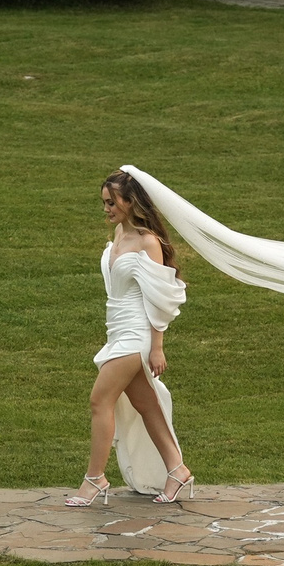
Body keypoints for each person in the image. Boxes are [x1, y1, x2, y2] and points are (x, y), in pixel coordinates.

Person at [76, 170, 196, 507]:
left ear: (131, 202)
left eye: (112, 202)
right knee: (146, 405)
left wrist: (157, 347)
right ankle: (177, 469)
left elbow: (161, 296)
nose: (107, 209)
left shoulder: (148, 242)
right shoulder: (118, 233)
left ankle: (94, 479)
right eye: (104, 202)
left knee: (100, 401)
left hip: (136, 336)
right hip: (116, 331)